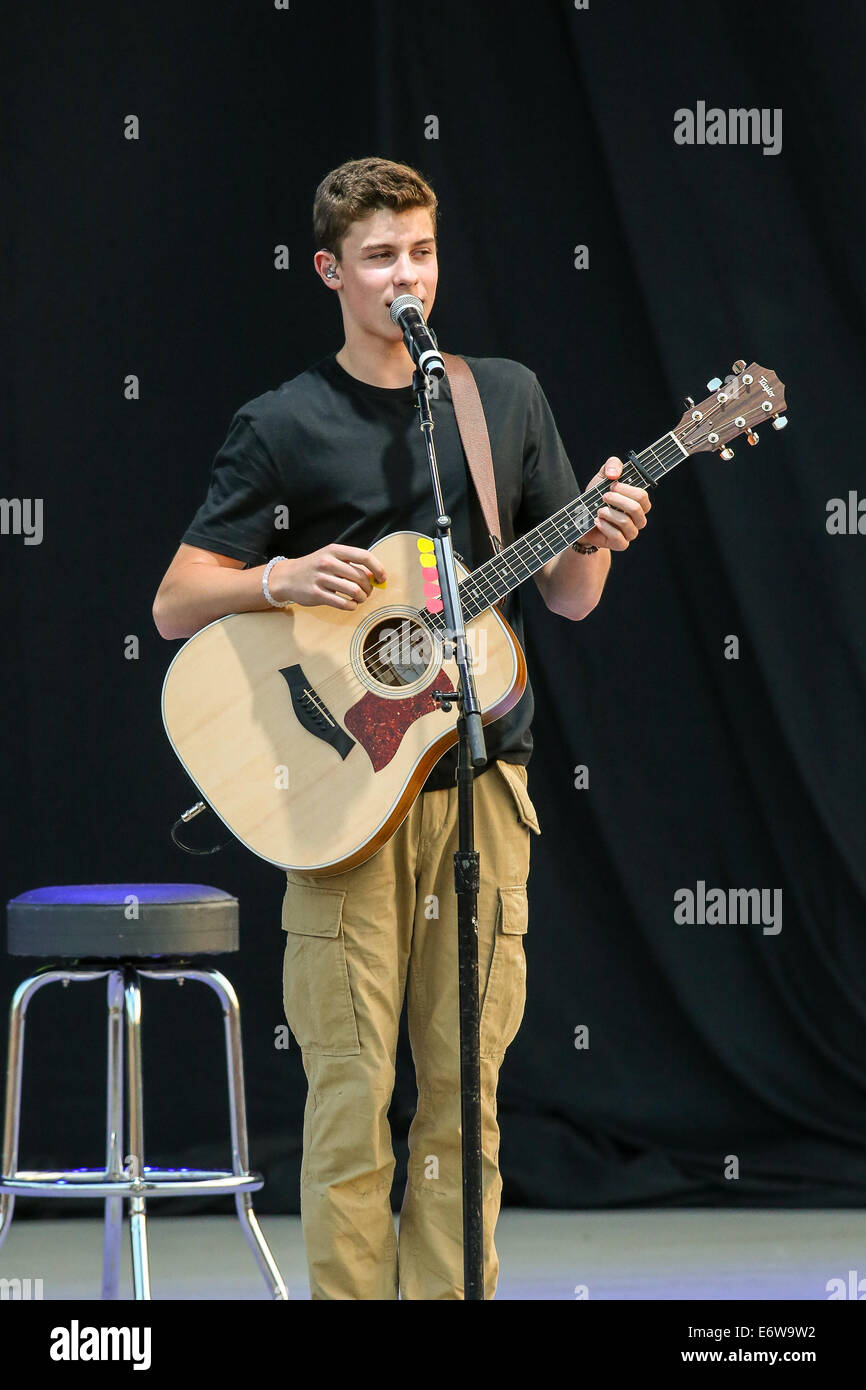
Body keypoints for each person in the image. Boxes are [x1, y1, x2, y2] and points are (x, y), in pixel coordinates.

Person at [152, 156, 651, 1299]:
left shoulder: (500, 400)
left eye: (420, 252)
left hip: (480, 785)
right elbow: (176, 600)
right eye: (379, 258)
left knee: (463, 1094)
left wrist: (602, 535)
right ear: (330, 271)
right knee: (348, 1090)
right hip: (341, 809)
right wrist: (275, 577)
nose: (405, 277)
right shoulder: (283, 421)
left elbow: (565, 596)